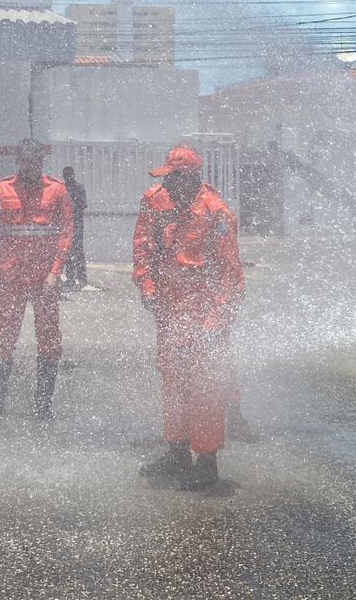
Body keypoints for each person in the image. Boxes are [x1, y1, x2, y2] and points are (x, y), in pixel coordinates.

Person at [133, 145, 245, 491]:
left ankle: (207, 462)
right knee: (173, 379)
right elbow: (142, 247)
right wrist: (147, 286)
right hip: (169, 308)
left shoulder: (217, 211)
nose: (167, 185)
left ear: (192, 177)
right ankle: (177, 451)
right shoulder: (155, 201)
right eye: (166, 178)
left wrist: (215, 320)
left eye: (174, 178)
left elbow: (231, 274)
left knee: (206, 385)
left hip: (205, 309)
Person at [0, 138, 74, 423]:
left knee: (49, 339)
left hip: (44, 279)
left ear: (42, 161)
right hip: (12, 276)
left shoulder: (57, 191)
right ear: (18, 160)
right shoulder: (0, 190)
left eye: (36, 161)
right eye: (26, 161)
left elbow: (67, 234)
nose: (31, 166)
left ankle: (43, 405)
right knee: (3, 337)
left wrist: (55, 272)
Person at [60, 166, 95, 291]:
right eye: (66, 176)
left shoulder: (78, 187)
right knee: (68, 251)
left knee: (78, 251)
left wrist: (74, 199)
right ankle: (70, 278)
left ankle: (81, 278)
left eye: (70, 175)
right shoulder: (62, 188)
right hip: (66, 224)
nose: (68, 178)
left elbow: (83, 204)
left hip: (77, 223)